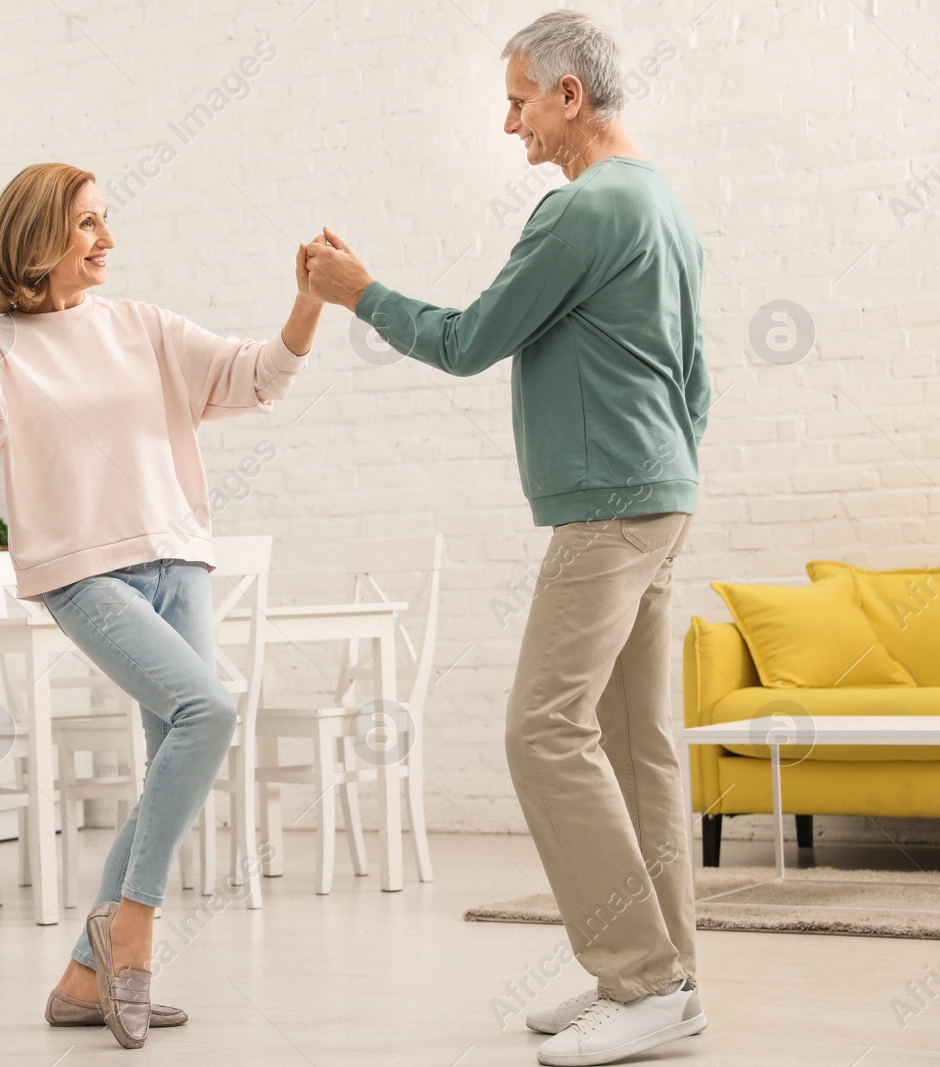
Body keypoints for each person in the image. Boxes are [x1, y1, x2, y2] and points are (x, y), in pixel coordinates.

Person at [0, 162, 321, 1050]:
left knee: (179, 745)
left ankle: (81, 980)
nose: (107, 240)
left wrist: (309, 304)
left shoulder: (144, 327)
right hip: (82, 573)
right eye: (88, 224)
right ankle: (132, 927)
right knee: (207, 711)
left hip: (180, 563)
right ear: (38, 239)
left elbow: (258, 377)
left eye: (106, 220)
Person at [302, 11, 711, 1067]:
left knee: (541, 729)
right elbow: (696, 376)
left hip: (609, 505)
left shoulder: (578, 209)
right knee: (635, 743)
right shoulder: (659, 199)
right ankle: (663, 973)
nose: (508, 122)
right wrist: (668, 471)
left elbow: (470, 340)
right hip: (661, 492)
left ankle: (642, 973)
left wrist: (361, 293)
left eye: (520, 100)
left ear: (569, 97)